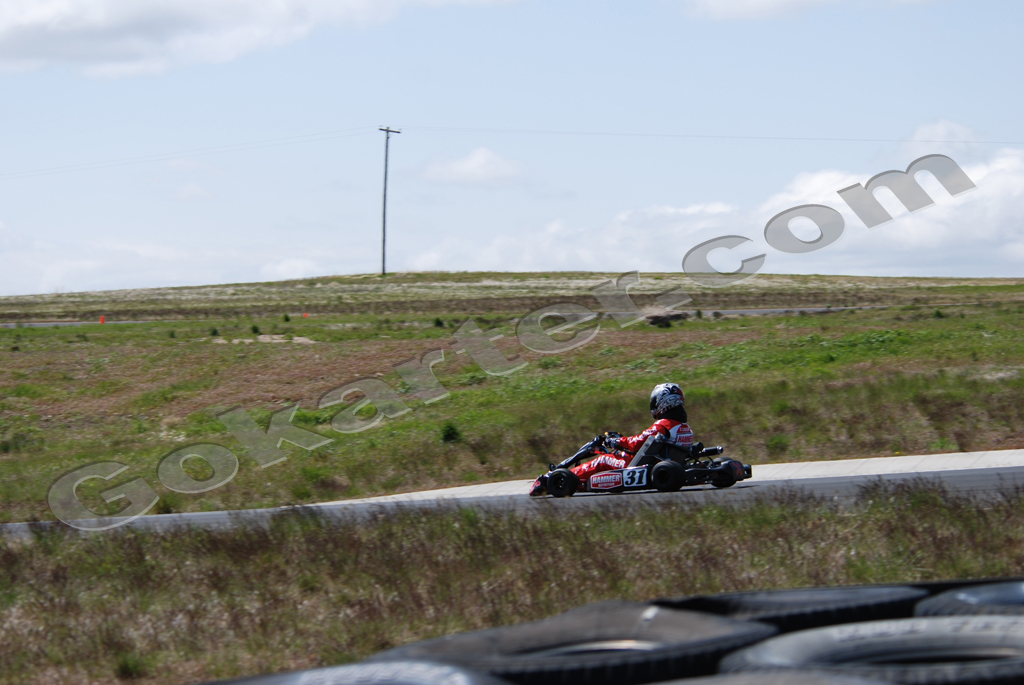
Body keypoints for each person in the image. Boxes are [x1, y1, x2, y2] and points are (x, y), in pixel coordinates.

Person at [529, 382, 695, 496]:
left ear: (664, 402)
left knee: (602, 460)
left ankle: (560, 478)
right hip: (659, 462)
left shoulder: (663, 425)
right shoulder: (683, 427)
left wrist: (615, 441)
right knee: (609, 454)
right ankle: (571, 477)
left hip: (638, 465)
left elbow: (636, 443)